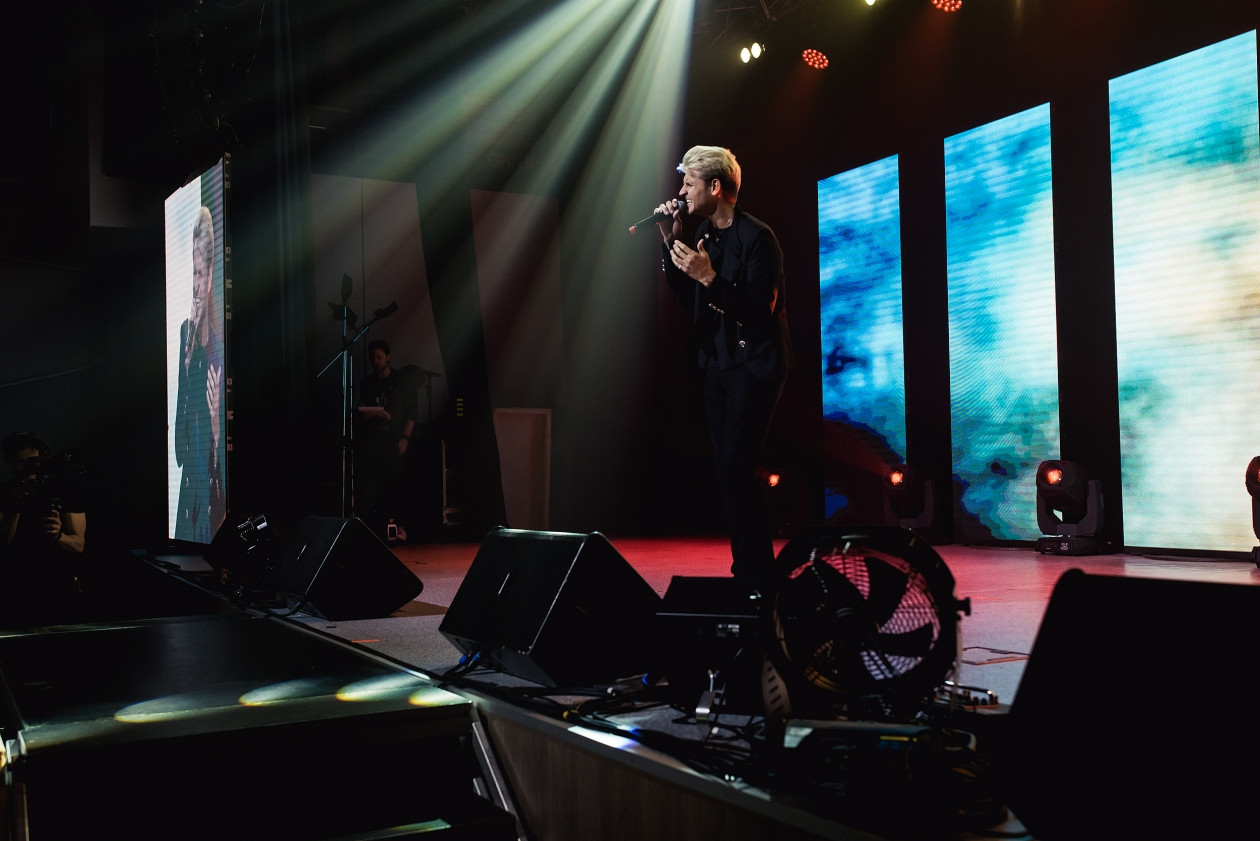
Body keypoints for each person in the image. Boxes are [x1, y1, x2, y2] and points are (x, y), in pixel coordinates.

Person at [656, 145, 792, 586]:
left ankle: (757, 575)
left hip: (755, 364)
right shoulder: (704, 235)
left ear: (715, 187)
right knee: (729, 472)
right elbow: (685, 295)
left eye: (689, 183)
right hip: (718, 365)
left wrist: (710, 277)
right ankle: (751, 571)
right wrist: (669, 239)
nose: (681, 192)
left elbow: (758, 311)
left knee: (735, 466)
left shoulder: (757, 237)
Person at [174, 205, 226, 543]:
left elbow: (219, 463)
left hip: (208, 495)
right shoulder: (185, 333)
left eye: (200, 274)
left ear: (210, 279)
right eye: (192, 273)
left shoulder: (219, 351)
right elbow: (180, 450)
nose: (195, 285)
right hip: (187, 487)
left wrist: (216, 425)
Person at [0, 432, 87, 624]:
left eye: (34, 461)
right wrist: (16, 504)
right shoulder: (5, 494)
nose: (30, 468)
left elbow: (79, 545)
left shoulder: (65, 491)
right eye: (21, 462)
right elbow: (3, 542)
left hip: (59, 584)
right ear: (9, 462)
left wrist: (58, 536)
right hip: (15, 585)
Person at [356, 339, 418, 532]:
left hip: (395, 439)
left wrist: (405, 438)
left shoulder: (401, 381)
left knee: (395, 483)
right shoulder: (367, 383)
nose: (375, 362)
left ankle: (397, 526)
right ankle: (370, 525)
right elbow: (362, 412)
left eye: (379, 357)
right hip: (372, 440)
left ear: (388, 357)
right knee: (370, 482)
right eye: (372, 358)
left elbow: (411, 413)